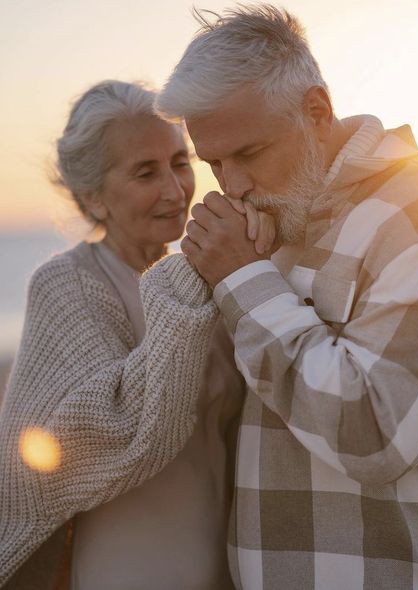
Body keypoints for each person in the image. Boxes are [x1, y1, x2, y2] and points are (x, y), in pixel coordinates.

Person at [156, 5, 418, 589]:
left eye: (248, 154)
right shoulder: (275, 215)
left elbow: (378, 432)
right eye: (214, 164)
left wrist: (242, 279)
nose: (233, 186)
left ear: (317, 111)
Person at [0, 80, 274, 589]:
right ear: (94, 198)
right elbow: (120, 429)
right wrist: (199, 271)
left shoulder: (196, 282)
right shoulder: (70, 283)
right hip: (126, 570)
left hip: (225, 565)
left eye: (179, 162)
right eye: (146, 172)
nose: (175, 190)